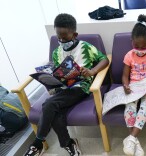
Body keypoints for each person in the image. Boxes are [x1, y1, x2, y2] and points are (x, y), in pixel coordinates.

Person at [24, 13, 109, 156]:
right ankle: (68, 143)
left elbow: (104, 59)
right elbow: (58, 71)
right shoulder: (57, 52)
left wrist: (92, 71)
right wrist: (49, 79)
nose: (62, 40)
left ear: (74, 34)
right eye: (59, 37)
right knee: (55, 109)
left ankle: (37, 144)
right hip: (62, 88)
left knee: (48, 105)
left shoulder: (85, 47)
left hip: (80, 87)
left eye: (65, 37)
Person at [122, 14, 146, 156]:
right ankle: (134, 141)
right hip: (134, 87)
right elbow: (125, 76)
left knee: (145, 107)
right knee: (130, 107)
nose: (139, 48)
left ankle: (131, 138)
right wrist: (126, 86)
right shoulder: (129, 55)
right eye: (136, 45)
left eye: (143, 45)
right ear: (131, 41)